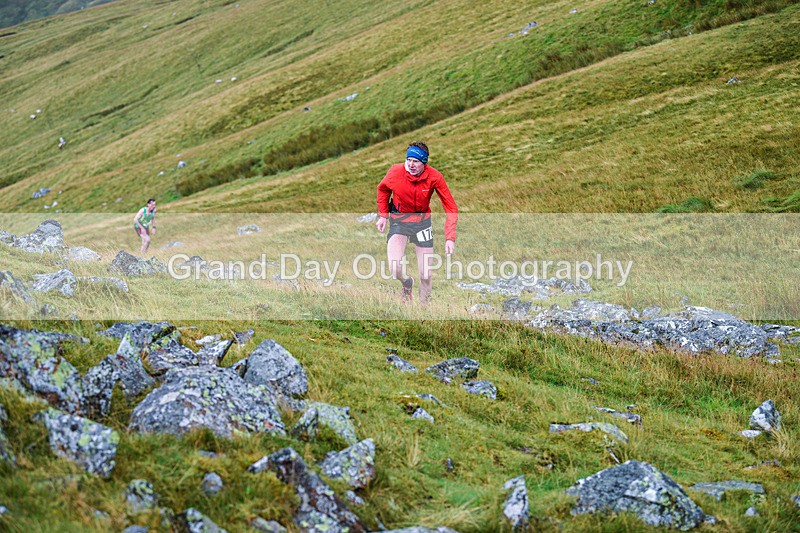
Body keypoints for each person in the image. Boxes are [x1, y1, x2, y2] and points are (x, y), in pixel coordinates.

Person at [376, 142, 458, 303]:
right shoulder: (395, 171)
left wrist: (450, 237)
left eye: (416, 161)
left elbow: (451, 207)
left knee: (426, 274)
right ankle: (407, 283)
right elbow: (383, 189)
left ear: (424, 162)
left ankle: (423, 311)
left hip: (422, 224)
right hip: (400, 222)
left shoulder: (435, 177)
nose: (411, 165)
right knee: (395, 267)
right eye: (409, 160)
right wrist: (383, 215)